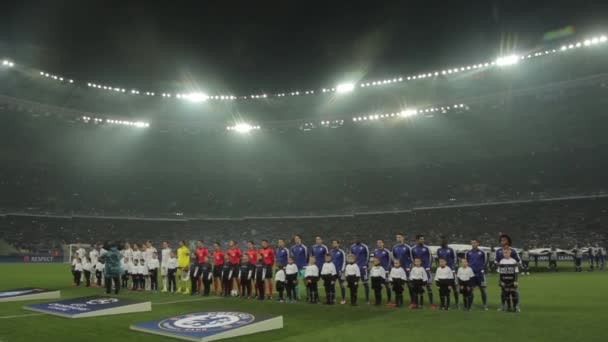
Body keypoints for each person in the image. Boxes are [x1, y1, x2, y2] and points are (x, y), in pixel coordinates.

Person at [411, 234, 435, 310]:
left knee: (428, 287)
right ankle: (416, 303)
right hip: (417, 271)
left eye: (423, 239)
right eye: (421, 239)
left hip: (426, 270)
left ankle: (431, 304)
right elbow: (412, 259)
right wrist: (416, 267)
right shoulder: (413, 249)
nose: (422, 240)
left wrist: (428, 267)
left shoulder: (427, 248)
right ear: (417, 240)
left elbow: (431, 258)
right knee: (417, 288)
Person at [436, 237, 459, 308]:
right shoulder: (439, 250)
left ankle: (457, 303)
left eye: (444, 241)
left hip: (451, 271)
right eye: (442, 241)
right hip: (443, 272)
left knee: (454, 287)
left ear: (447, 242)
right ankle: (443, 303)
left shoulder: (451, 249)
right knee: (443, 289)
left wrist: (453, 268)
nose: (443, 242)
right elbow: (439, 259)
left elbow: (455, 258)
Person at [466, 239, 488, 310]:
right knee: (471, 290)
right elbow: (466, 262)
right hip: (471, 274)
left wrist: (481, 269)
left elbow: (485, 262)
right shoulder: (468, 253)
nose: (473, 244)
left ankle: (484, 305)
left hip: (480, 274)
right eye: (472, 243)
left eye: (474, 243)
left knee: (483, 289)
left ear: (478, 243)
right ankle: (471, 304)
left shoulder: (482, 252)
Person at [497, 247, 520, 312]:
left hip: (512, 281)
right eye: (504, 253)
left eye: (506, 252)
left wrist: (516, 281)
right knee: (505, 294)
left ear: (510, 252)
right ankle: (507, 307)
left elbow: (516, 272)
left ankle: (516, 307)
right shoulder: (501, 261)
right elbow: (500, 272)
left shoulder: (513, 261)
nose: (505, 254)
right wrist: (500, 281)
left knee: (514, 294)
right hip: (504, 281)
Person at [392, 233, 413, 303]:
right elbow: (394, 258)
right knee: (398, 286)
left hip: (406, 269)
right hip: (398, 270)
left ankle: (413, 301)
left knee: (410, 285)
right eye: (397, 237)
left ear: (403, 238)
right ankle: (399, 301)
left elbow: (411, 258)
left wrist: (408, 266)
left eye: (400, 237)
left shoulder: (408, 247)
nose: (398, 238)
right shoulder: (394, 247)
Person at [372, 239, 393, 305]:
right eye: (378, 242)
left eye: (380, 242)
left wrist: (387, 270)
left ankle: (389, 300)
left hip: (385, 271)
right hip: (378, 272)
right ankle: (378, 300)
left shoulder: (387, 251)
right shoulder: (375, 251)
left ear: (383, 243)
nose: (379, 243)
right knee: (378, 287)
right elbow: (375, 260)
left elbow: (390, 261)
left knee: (387, 285)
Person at [350, 238, 370, 304]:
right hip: (355, 268)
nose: (357, 240)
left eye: (358, 239)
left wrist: (365, 265)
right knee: (355, 284)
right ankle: (355, 299)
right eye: (356, 239)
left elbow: (367, 256)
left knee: (365, 283)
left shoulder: (364, 246)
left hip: (363, 268)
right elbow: (351, 256)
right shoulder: (352, 247)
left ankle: (367, 300)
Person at [290, 235, 308, 301]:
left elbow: (306, 257)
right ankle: (298, 296)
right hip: (296, 267)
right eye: (295, 239)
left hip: (303, 267)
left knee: (305, 281)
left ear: (300, 239)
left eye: (297, 238)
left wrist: (305, 265)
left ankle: (308, 295)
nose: (296, 239)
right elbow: (292, 257)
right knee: (296, 281)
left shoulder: (304, 247)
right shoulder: (293, 248)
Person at [329, 240, 347, 304]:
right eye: (333, 243)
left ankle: (343, 299)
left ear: (338, 244)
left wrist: (342, 270)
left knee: (342, 285)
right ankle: (333, 298)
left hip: (340, 271)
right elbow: (329, 261)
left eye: (335, 243)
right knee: (332, 285)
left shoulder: (341, 252)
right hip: (333, 272)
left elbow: (344, 261)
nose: (334, 244)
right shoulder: (330, 252)